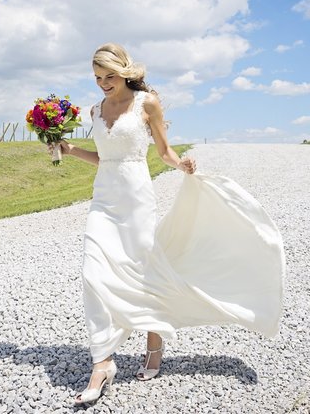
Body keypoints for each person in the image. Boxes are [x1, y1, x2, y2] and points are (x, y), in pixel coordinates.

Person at [50, 43, 285, 406]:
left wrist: (182, 165)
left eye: (109, 76)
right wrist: (69, 150)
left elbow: (163, 151)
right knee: (91, 273)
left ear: (124, 72)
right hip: (103, 199)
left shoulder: (147, 104)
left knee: (144, 269)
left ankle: (154, 340)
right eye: (97, 78)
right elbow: (103, 157)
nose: (102, 84)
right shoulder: (96, 110)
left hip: (137, 199)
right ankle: (102, 362)